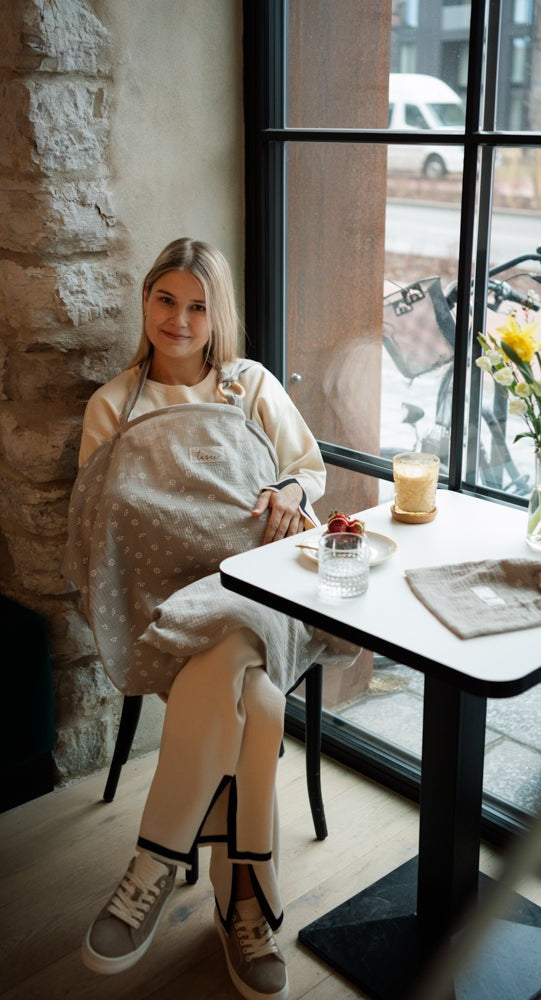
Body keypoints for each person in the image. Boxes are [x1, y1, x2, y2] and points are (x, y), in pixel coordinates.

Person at [64, 238, 357, 1000]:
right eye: (166, 299)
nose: (180, 319)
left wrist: (291, 491)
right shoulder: (113, 404)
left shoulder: (249, 386)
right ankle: (243, 902)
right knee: (257, 701)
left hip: (263, 584)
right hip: (162, 604)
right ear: (146, 302)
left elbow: (308, 466)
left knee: (235, 634)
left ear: (216, 314)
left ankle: (156, 860)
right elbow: (97, 523)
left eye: (198, 306)